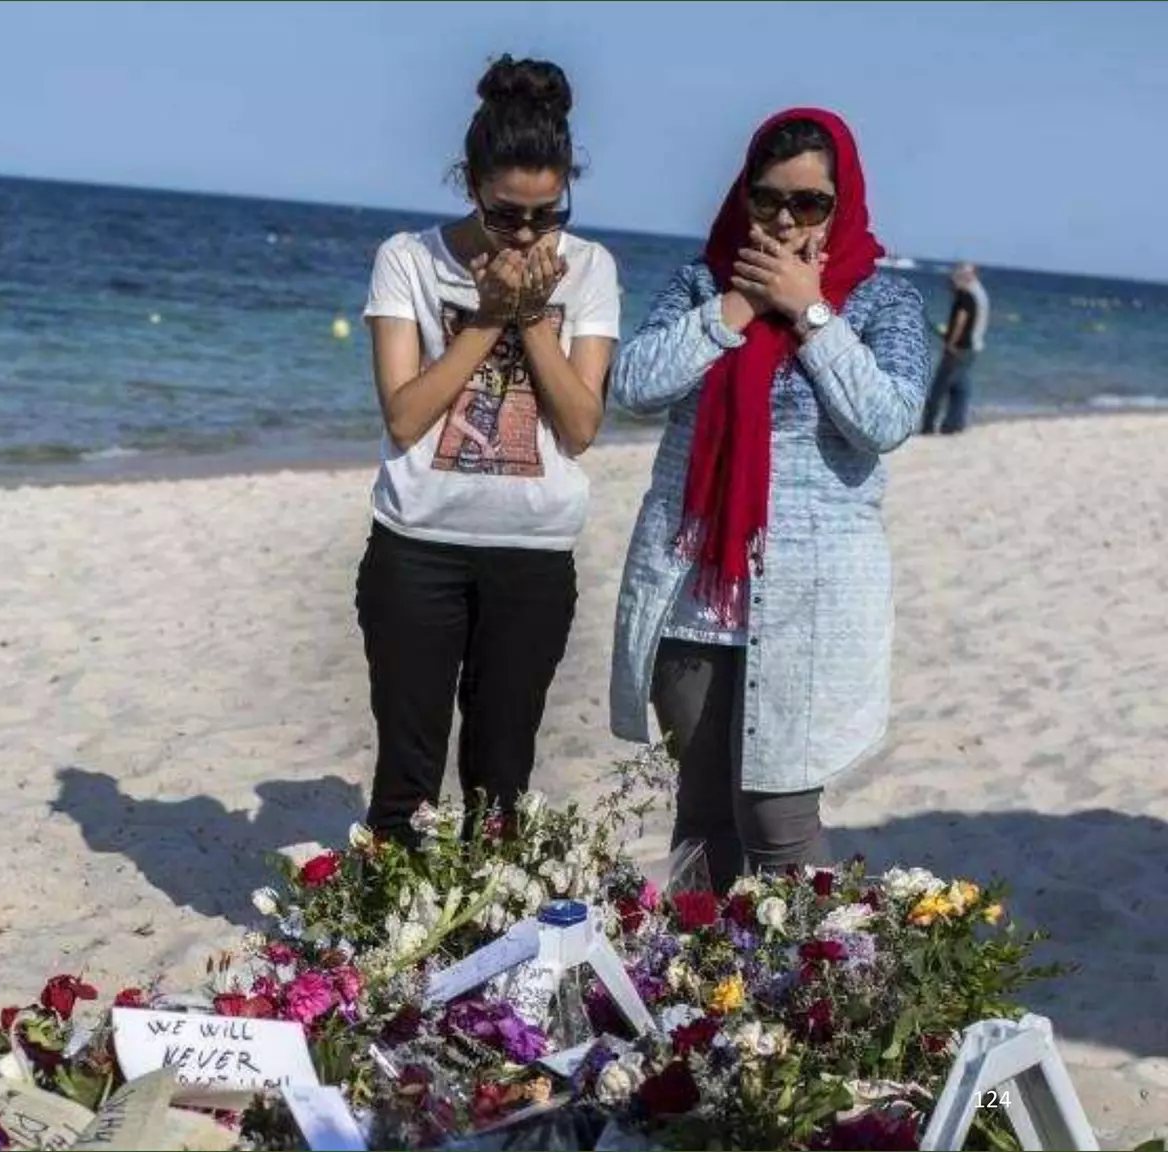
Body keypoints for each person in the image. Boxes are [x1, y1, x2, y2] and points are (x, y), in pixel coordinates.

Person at [606, 109, 933, 892]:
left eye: (809, 203)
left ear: (841, 203)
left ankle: (819, 1004)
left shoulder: (885, 304)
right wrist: (737, 309)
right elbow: (634, 385)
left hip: (810, 601)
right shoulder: (700, 282)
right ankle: (693, 995)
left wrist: (810, 310)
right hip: (695, 592)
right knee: (703, 813)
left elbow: (886, 420)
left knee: (778, 821)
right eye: (766, 200)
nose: (784, 219)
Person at [357, 56, 622, 845]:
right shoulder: (407, 259)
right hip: (417, 546)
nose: (532, 233)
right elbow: (405, 418)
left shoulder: (594, 268)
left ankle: (488, 957)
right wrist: (486, 316)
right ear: (470, 185)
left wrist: (535, 317)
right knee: (406, 779)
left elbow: (579, 425)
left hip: (533, 552)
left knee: (502, 783)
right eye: (509, 215)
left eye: (549, 212)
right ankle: (384, 959)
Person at [922, 262, 990, 434]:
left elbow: (961, 320)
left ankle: (929, 427)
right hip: (970, 347)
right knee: (959, 387)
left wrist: (951, 342)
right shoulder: (978, 294)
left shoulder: (965, 295)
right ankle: (954, 425)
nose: (951, 283)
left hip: (959, 348)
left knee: (939, 389)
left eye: (954, 278)